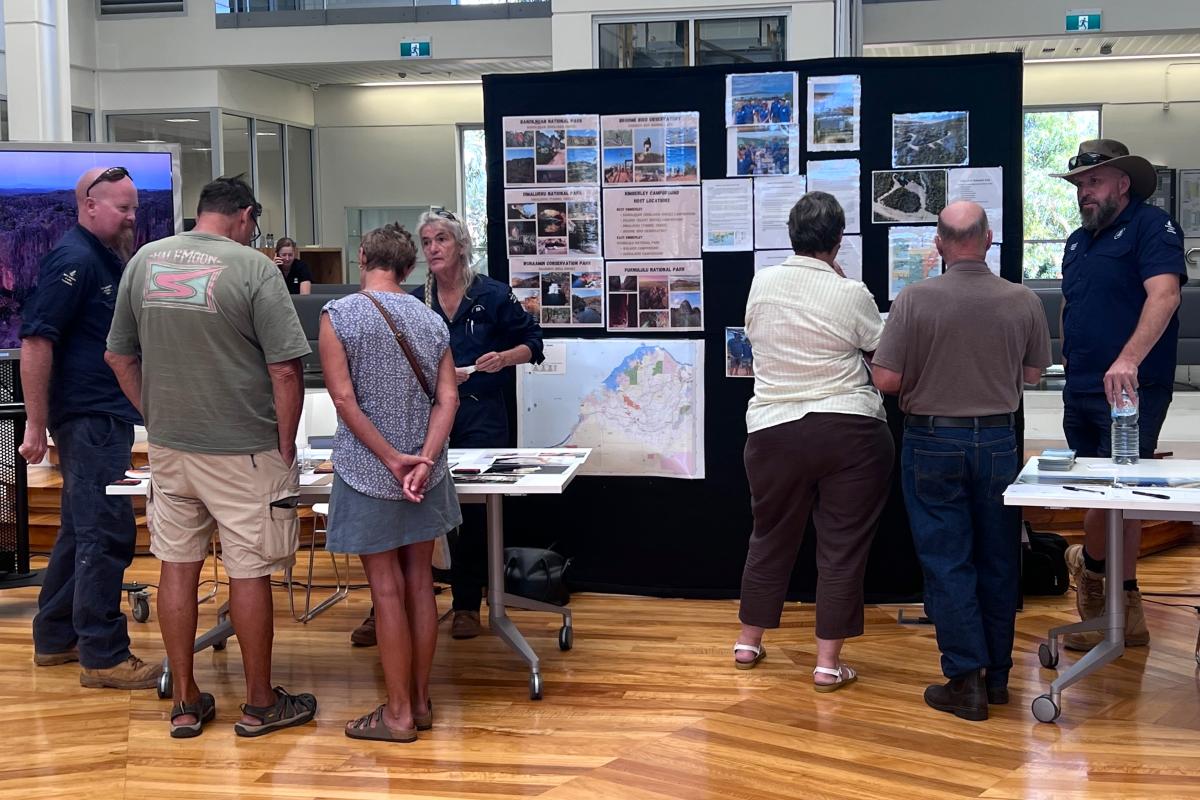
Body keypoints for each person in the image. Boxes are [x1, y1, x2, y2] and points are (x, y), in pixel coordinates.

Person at [105, 176, 317, 738]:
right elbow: (286, 368)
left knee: (177, 567)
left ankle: (185, 700)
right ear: (245, 216)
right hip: (245, 448)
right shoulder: (254, 269)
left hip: (171, 449)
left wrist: (155, 414)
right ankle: (259, 703)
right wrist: (287, 440)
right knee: (249, 572)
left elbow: (118, 356)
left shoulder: (144, 261)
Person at [872, 201, 1051, 721]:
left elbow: (886, 380)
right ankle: (998, 679)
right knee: (999, 560)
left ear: (940, 244)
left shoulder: (915, 299)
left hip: (932, 443)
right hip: (998, 441)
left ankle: (965, 680)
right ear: (989, 238)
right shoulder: (1023, 300)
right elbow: (1035, 375)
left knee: (947, 561)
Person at [350, 209, 543, 645]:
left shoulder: (492, 295)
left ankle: (466, 603)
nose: (433, 248)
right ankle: (387, 607)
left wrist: (505, 358)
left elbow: (534, 342)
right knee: (408, 508)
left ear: (460, 244)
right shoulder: (416, 301)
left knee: (472, 513)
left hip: (481, 414)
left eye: (441, 239)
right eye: (427, 241)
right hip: (427, 416)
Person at [733, 192, 894, 691]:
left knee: (770, 536)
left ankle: (748, 642)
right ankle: (827, 665)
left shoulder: (762, 283)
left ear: (792, 235)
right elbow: (882, 350)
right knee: (842, 547)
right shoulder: (852, 293)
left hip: (773, 431)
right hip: (850, 430)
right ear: (838, 239)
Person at [19, 166, 162, 689]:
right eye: (123, 208)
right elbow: (36, 340)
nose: (131, 218)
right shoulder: (74, 260)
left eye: (134, 207)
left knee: (79, 530)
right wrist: (35, 424)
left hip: (102, 416)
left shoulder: (102, 258)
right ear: (89, 205)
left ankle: (56, 638)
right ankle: (103, 656)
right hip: (89, 418)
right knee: (106, 532)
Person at [319, 223, 461, 742]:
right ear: (409, 267)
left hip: (366, 470)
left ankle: (397, 714)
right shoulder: (430, 320)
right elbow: (447, 399)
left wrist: (391, 459)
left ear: (362, 257)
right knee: (421, 584)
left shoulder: (339, 316)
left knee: (386, 589)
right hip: (428, 471)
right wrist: (423, 458)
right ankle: (420, 703)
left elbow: (343, 400)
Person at [1050, 139, 1187, 651]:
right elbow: (1071, 305)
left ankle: (1109, 590)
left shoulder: (1153, 228)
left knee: (1121, 496)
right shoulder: (1076, 241)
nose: (1085, 193)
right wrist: (1068, 356)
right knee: (1094, 492)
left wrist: (1128, 358)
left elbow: (1165, 295)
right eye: (1080, 185)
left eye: (1095, 182)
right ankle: (1110, 595)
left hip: (1131, 390)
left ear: (1123, 184)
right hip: (1081, 387)